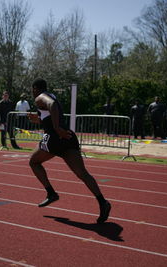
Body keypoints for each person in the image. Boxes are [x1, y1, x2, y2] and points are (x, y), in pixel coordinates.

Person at [28, 78, 111, 223]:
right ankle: (103, 202)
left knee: (34, 162)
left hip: (55, 137)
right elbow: (51, 113)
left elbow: (52, 106)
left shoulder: (40, 97)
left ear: (35, 88)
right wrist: (37, 119)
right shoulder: (51, 95)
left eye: (32, 89)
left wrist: (57, 128)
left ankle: (51, 193)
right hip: (68, 136)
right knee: (82, 173)